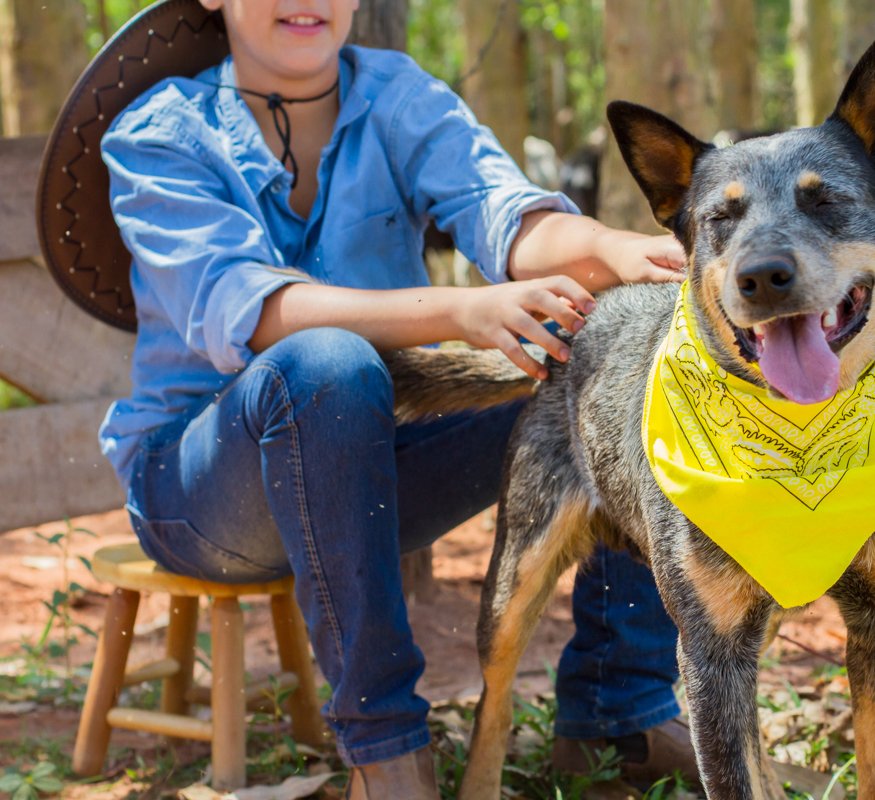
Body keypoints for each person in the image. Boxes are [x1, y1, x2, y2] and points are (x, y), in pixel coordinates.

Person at [97, 0, 700, 797]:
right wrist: (460, 311)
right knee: (326, 366)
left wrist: (621, 251)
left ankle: (618, 711)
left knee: (621, 358)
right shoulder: (159, 136)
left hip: (376, 463)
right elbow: (256, 312)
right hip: (203, 492)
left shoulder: (397, 96)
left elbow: (508, 220)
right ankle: (388, 756)